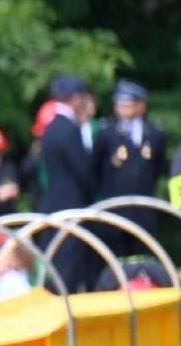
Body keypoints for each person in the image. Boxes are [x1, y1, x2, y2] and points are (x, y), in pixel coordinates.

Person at [35, 74, 98, 292]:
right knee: (67, 269)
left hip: (56, 203)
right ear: (75, 97)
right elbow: (82, 170)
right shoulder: (69, 130)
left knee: (59, 264)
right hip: (71, 206)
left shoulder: (52, 127)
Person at [92, 79, 167, 256]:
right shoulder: (107, 132)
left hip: (143, 209)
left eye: (129, 104)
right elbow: (96, 168)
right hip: (115, 208)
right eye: (121, 104)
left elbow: (157, 167)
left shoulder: (154, 133)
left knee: (143, 256)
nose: (124, 108)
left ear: (142, 105)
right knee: (115, 258)